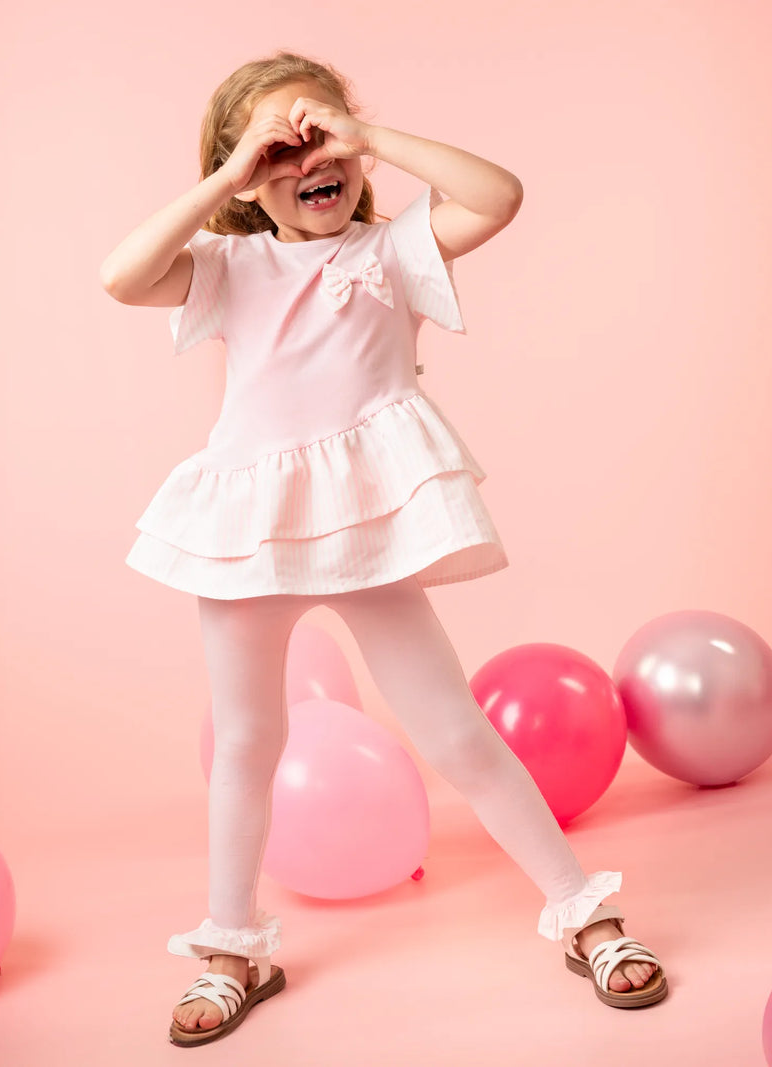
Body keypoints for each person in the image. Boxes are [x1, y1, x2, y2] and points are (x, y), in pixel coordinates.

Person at [100, 50, 667, 1047]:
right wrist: (231, 175)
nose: (308, 162)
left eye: (320, 137)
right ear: (248, 176)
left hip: (364, 525)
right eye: (280, 152)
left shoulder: (393, 248)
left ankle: (584, 913)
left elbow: (498, 195)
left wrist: (365, 136)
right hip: (248, 529)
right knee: (247, 742)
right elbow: (121, 276)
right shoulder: (231, 265)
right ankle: (231, 948)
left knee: (454, 731)